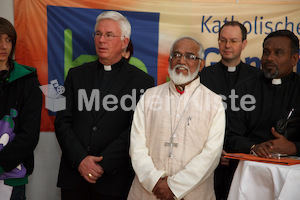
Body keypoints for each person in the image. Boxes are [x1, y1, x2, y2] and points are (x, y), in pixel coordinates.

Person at [54, 11, 154, 200]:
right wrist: (81, 160)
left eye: (109, 35)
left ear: (124, 42)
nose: (101, 40)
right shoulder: (75, 75)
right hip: (74, 176)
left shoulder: (143, 82)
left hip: (114, 179)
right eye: (98, 34)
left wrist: (103, 164)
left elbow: (136, 130)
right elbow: (62, 121)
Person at [127, 36, 225, 200]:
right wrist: (154, 181)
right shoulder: (150, 97)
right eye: (176, 55)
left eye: (190, 56)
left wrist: (174, 187)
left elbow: (211, 155)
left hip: (194, 193)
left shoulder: (214, 103)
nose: (182, 61)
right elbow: (136, 146)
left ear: (201, 64)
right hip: (149, 191)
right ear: (170, 60)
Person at [199, 21, 260, 200]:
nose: (227, 45)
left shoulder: (257, 78)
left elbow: (256, 120)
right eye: (223, 40)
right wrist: (216, 152)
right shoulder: (203, 76)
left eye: (233, 41)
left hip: (245, 161)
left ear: (244, 44)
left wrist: (237, 151)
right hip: (209, 162)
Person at [226, 30, 300, 159]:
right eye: (266, 52)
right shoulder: (244, 89)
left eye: (278, 53)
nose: (270, 58)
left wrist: (294, 147)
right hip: (251, 165)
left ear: (294, 59)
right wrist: (253, 147)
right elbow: (230, 136)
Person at [0, 17, 42, 200]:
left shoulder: (27, 80)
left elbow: (30, 134)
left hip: (13, 177)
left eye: (8, 39)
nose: (3, 46)